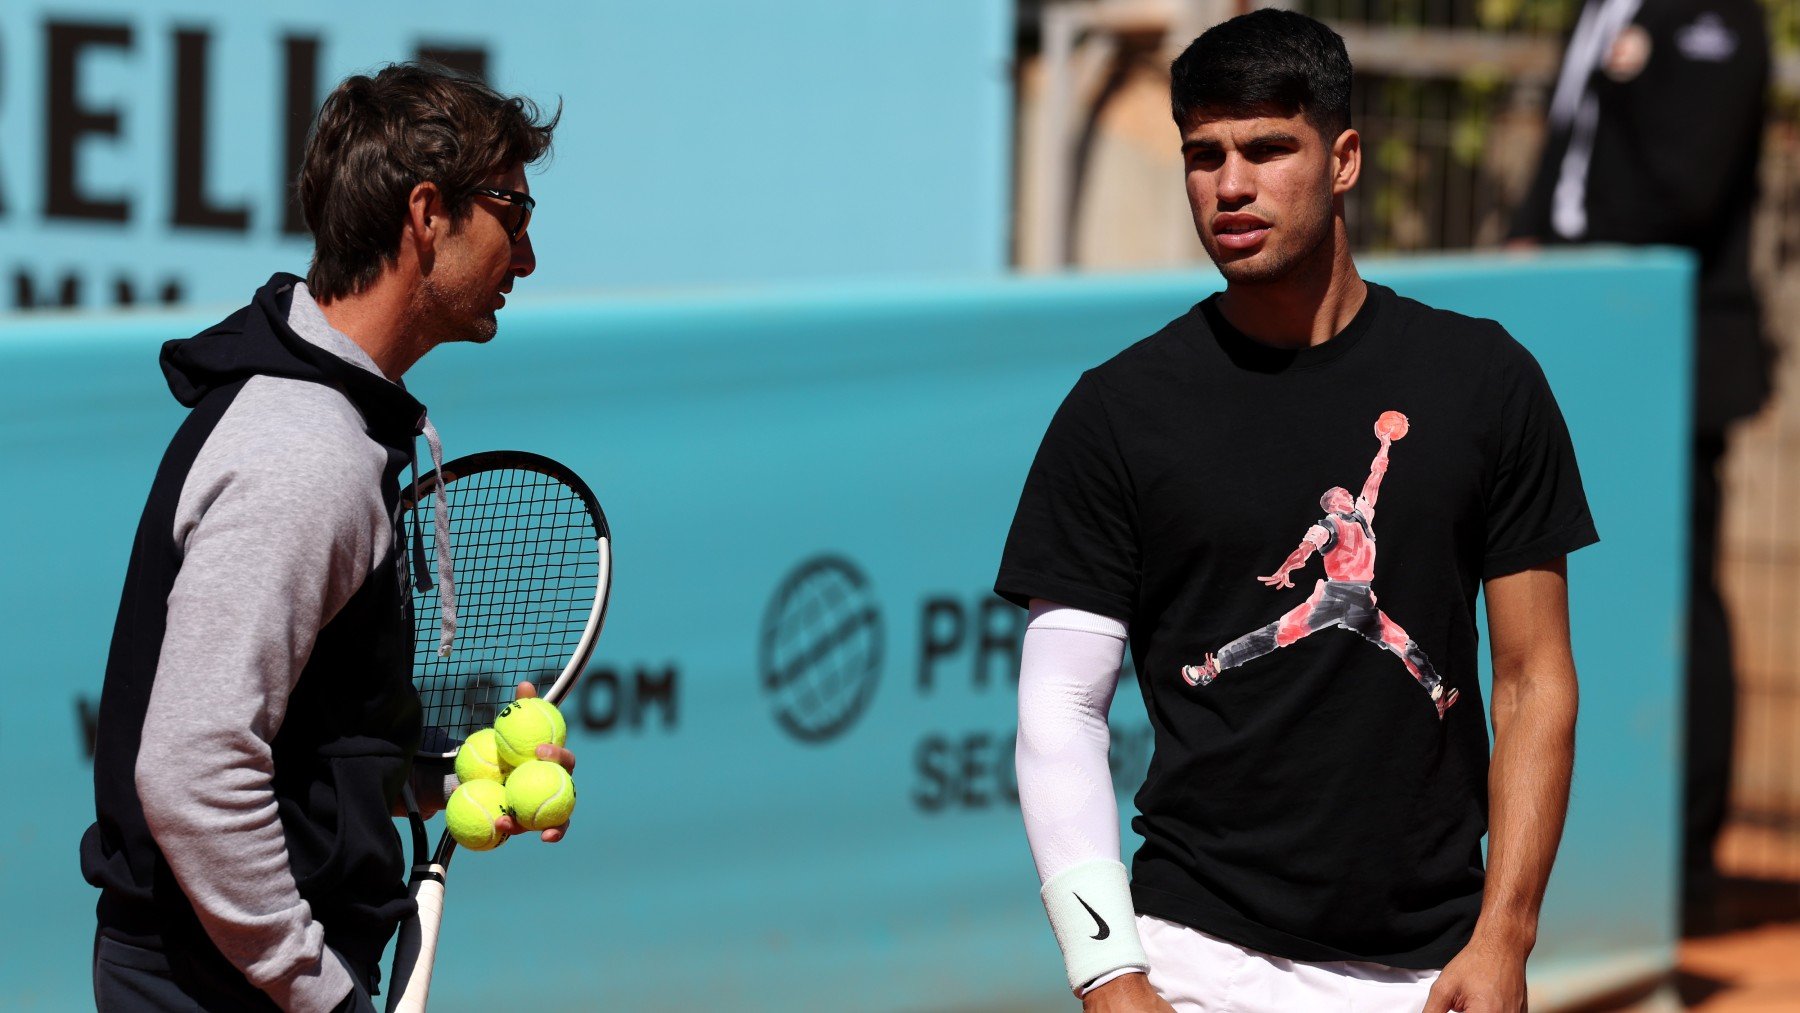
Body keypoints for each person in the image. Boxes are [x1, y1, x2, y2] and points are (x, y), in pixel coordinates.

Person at [997, 11, 1598, 1012]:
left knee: (1396, 644)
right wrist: (1109, 971)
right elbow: (1059, 707)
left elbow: (1534, 675)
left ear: (1345, 158)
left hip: (1433, 969)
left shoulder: (1485, 380)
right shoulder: (1118, 410)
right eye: (1205, 155)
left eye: (1269, 148)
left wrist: (1505, 936)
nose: (1231, 184)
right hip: (1193, 956)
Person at [80, 63, 564, 1012]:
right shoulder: (305, 453)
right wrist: (324, 993)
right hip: (219, 987)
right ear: (428, 212)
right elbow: (194, 772)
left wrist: (438, 785)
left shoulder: (328, 426)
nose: (529, 255)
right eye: (513, 210)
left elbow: (304, 751)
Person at [1506, 0, 1772, 928]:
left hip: (1675, 346)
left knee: (1678, 600)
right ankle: (1591, 845)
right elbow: (1566, 153)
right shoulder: (1596, 9)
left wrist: (1632, 74)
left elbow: (1685, 185)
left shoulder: (1719, 17)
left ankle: (1685, 859)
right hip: (1578, 333)